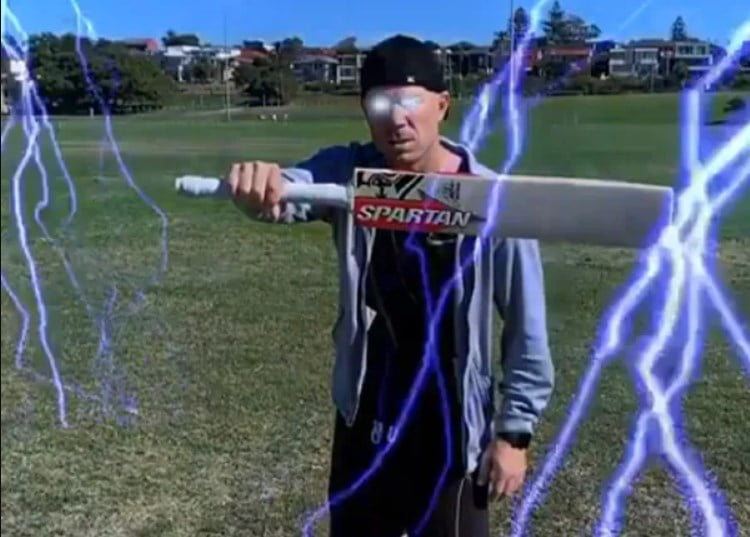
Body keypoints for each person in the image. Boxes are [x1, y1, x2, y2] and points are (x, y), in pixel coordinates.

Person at [225, 35, 554, 537]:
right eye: (380, 104)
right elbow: (293, 190)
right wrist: (264, 184)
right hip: (368, 408)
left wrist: (514, 434)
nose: (396, 120)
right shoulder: (350, 173)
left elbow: (527, 327)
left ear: (442, 105)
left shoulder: (492, 200)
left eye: (410, 101)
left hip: (451, 420)